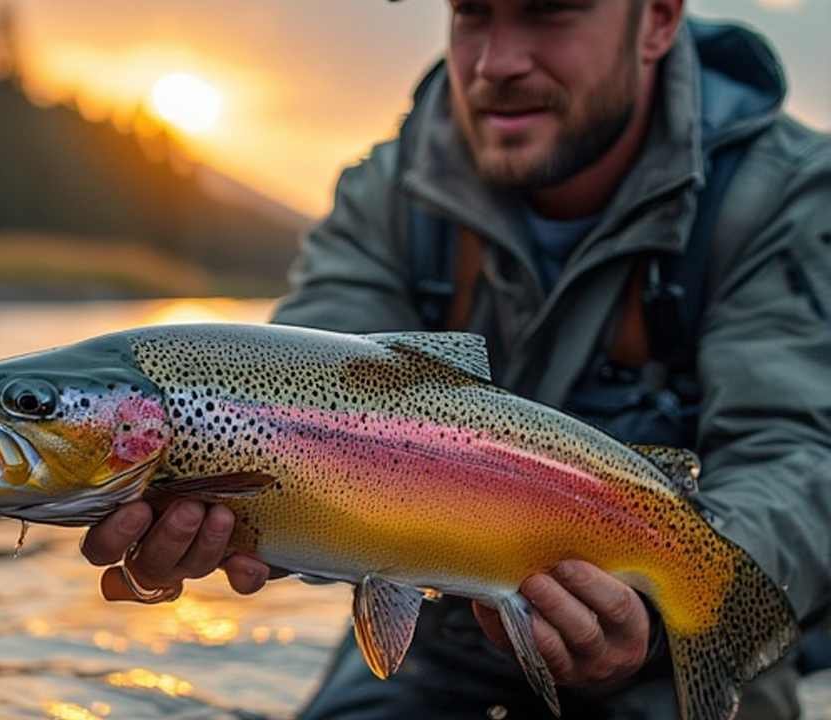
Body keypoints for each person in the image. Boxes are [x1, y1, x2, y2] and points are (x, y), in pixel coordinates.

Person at [80, 1, 831, 717]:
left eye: (548, 10)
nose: (496, 62)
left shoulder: (783, 195)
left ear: (657, 20)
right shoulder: (390, 187)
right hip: (436, 627)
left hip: (664, 634)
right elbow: (288, 397)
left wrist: (670, 616)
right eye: (472, 12)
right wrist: (227, 514)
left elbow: (796, 452)